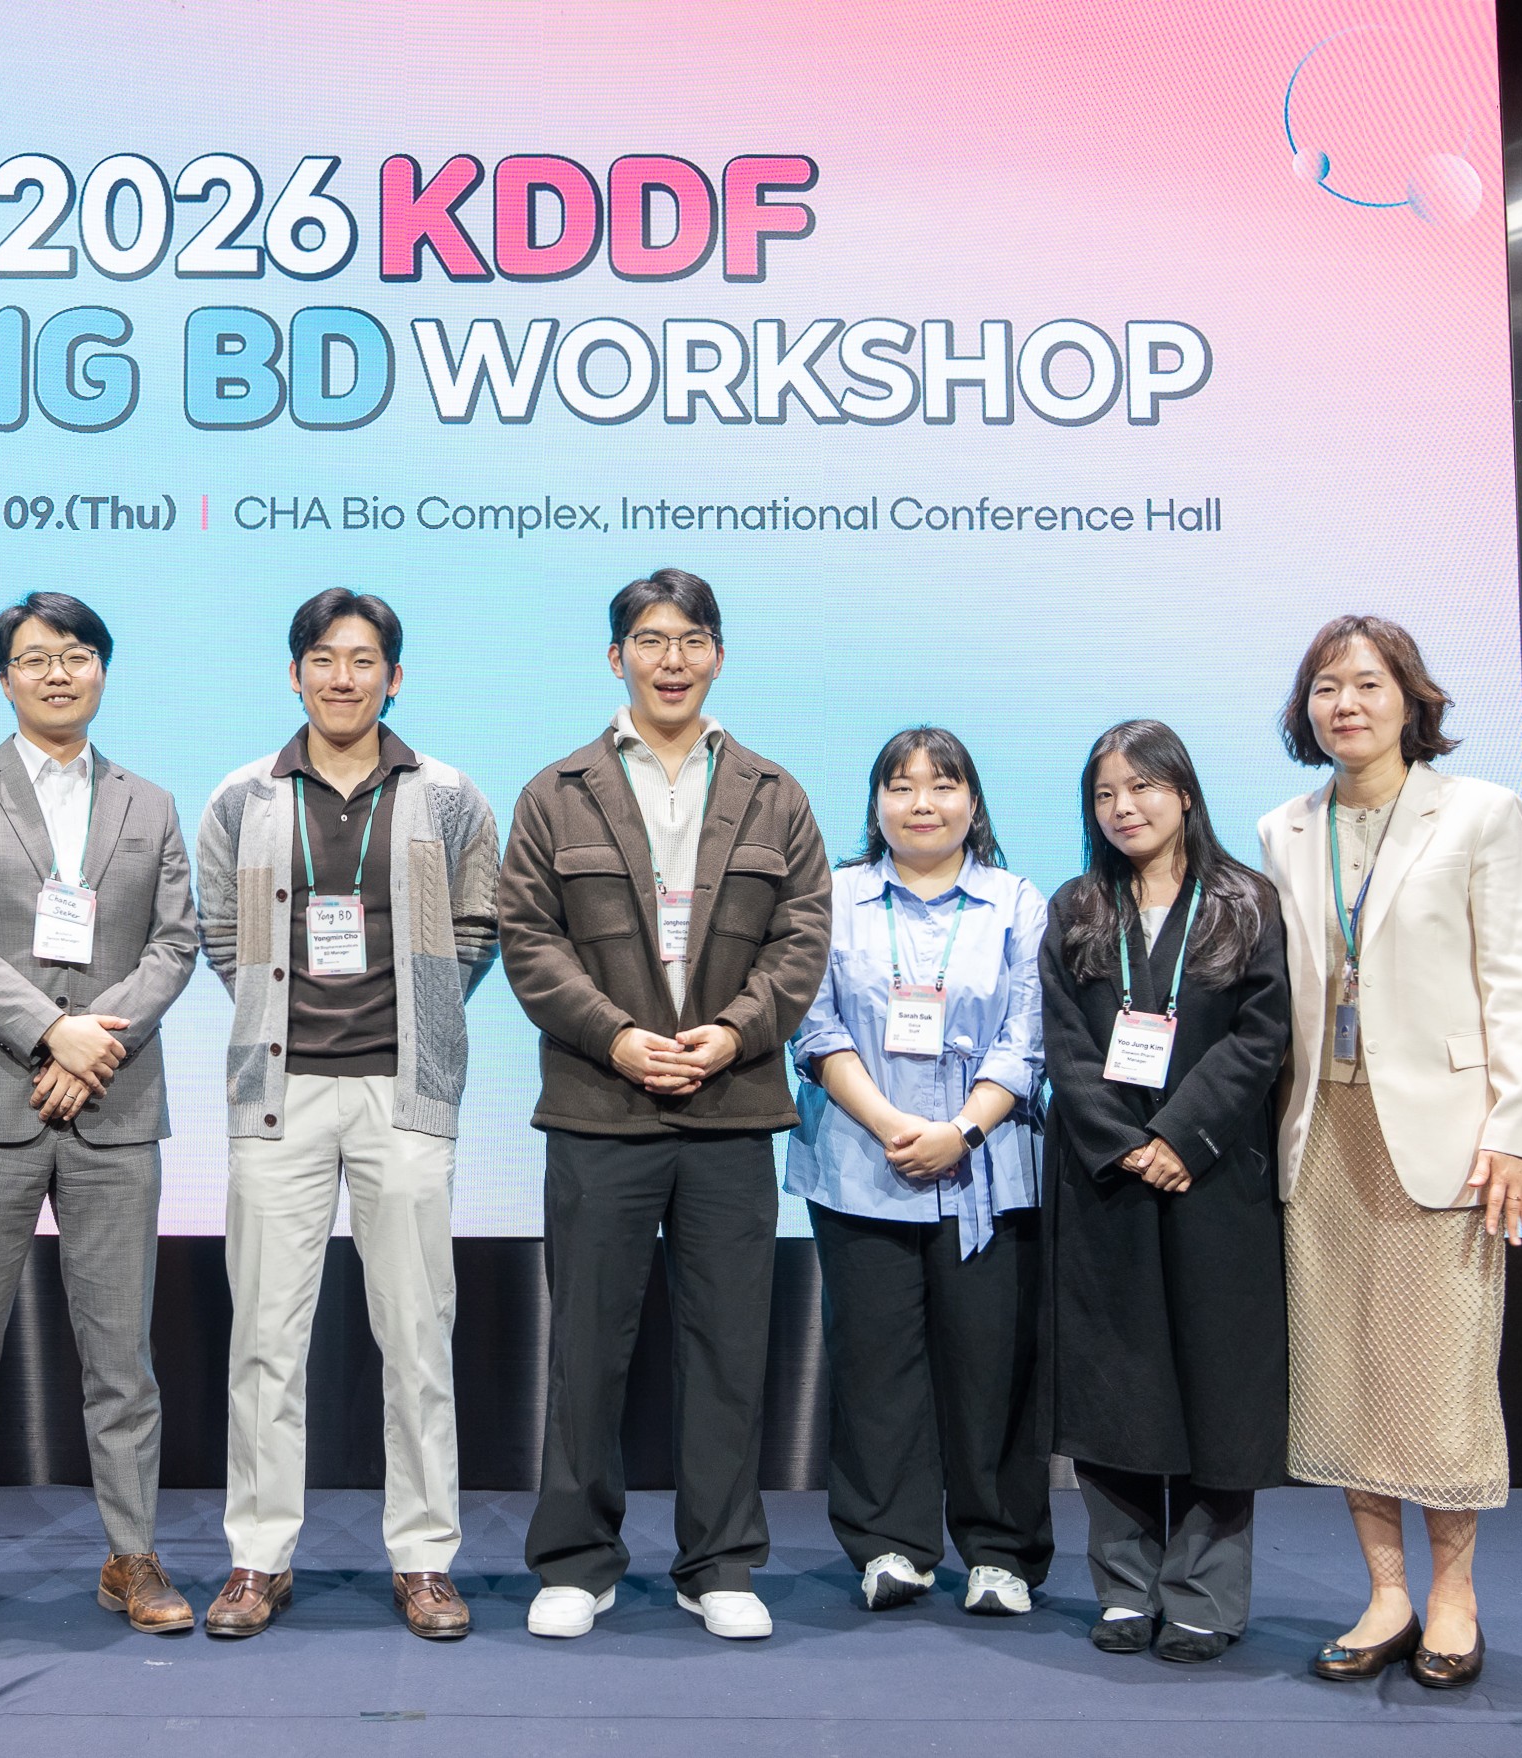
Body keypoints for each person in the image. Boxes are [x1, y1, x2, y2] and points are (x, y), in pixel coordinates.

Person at [501, 567, 832, 1643]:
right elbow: (528, 938)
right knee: (585, 1347)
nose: (671, 659)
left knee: (728, 1347)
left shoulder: (774, 792)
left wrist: (733, 1033)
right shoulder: (558, 791)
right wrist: (616, 1036)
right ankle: (575, 1561)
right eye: (649, 640)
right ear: (617, 658)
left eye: (691, 639)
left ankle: (719, 1564)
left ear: (718, 655)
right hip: (600, 1105)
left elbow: (803, 937)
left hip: (730, 1106)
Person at [0, 592, 201, 1642]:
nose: (57, 673)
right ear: (5, 678)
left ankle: (132, 1553)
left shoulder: (150, 802)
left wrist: (95, 1043)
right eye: (35, 659)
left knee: (121, 1356)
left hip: (114, 1100)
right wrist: (48, 1032)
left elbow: (176, 942)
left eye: (76, 656)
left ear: (102, 670)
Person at [194, 589, 502, 1640]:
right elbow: (220, 932)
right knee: (264, 1339)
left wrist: (421, 1019)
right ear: (294, 675)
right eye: (322, 658)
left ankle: (423, 1559)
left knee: (416, 1336)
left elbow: (476, 928)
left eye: (363, 659)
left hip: (402, 1093)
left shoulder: (448, 795)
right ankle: (257, 1558)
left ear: (394, 677)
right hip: (276, 1098)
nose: (342, 677)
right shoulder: (242, 796)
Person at [1259, 614, 1522, 1690]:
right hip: (1322, 1131)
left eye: (1367, 684)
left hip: (1447, 1133)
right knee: (1344, 1372)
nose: (1345, 704)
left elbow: (1515, 980)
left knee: (1437, 1378)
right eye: (1325, 687)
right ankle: (1385, 1595)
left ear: (1410, 700)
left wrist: (1515, 1130)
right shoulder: (1283, 827)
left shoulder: (1477, 812)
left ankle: (1454, 1598)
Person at [783, 728, 1052, 1620]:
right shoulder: (833, 897)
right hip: (861, 1164)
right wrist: (893, 1124)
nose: (921, 803)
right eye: (900, 787)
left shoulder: (1015, 902)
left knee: (991, 1369)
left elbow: (1028, 1035)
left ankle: (998, 1553)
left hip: (987, 1170)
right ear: (876, 805)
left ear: (972, 802)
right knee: (873, 1365)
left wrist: (963, 1129)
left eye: (942, 785)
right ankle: (888, 1546)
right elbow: (813, 1025)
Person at [1040, 720, 1291, 1665]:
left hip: (1213, 1178)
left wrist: (1182, 1136)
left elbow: (1261, 1036)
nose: (1124, 808)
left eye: (1142, 787)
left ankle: (1201, 1596)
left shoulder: (1243, 901)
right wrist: (1125, 1146)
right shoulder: (1076, 908)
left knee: (1216, 1391)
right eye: (1105, 793)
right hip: (1103, 1183)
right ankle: (1123, 1590)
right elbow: (1064, 1044)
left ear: (1183, 793)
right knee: (1113, 1388)